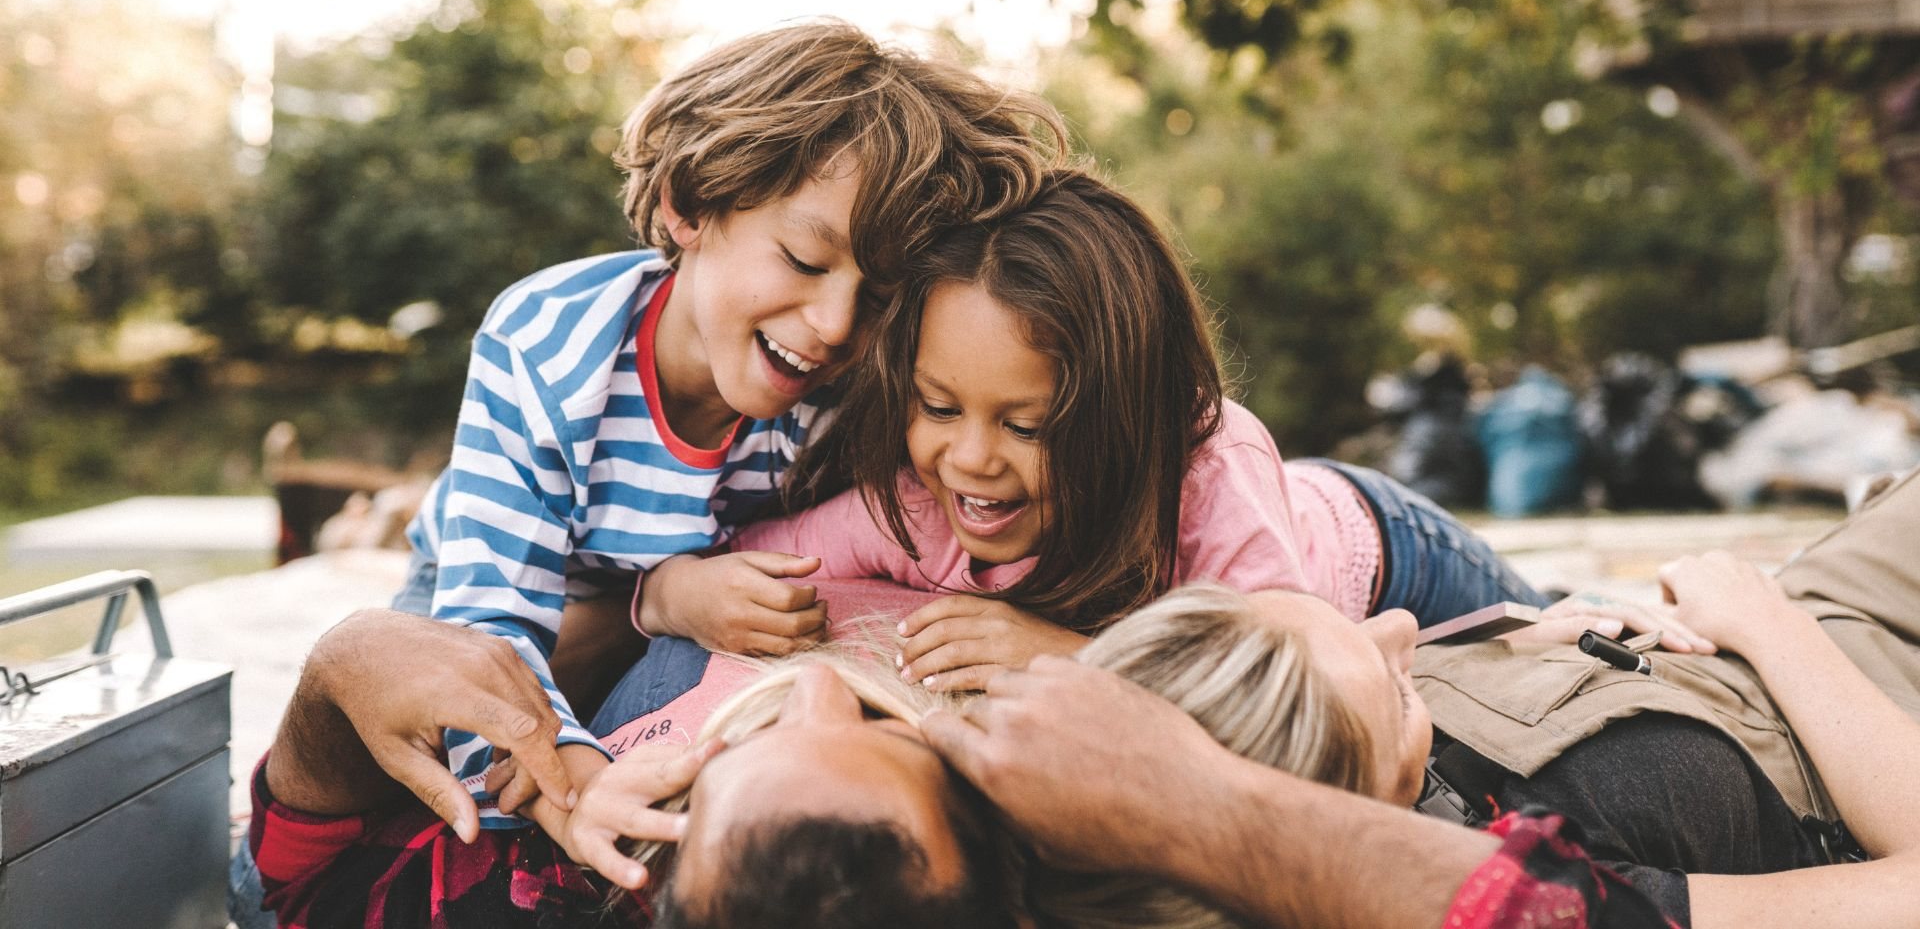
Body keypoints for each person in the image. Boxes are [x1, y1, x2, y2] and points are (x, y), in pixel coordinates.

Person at [388, 19, 1067, 825]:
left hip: (683, 620)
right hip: (491, 588)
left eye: (878, 293)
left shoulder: (856, 384)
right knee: (427, 779)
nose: (834, 323)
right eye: (805, 263)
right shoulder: (549, 343)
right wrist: (573, 780)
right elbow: (485, 637)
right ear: (691, 206)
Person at [638, 170, 1680, 694]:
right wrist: (667, 593)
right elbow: (749, 568)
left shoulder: (1208, 470)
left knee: (1572, 645)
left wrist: (1070, 656)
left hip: (1383, 553)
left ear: (1125, 421)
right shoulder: (916, 501)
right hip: (1315, 558)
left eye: (1030, 424)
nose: (971, 458)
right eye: (939, 407)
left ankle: (1638, 606)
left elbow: (1297, 662)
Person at [928, 466, 1920, 929]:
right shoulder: (1551, 882)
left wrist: (1537, 641)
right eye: (1397, 692)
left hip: (1801, 610)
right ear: (1346, 803)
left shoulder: (1360, 759)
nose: (1399, 625)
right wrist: (1768, 624)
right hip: (1864, 676)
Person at [243, 581, 1023, 929]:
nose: (818, 683)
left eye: (722, 766)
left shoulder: (592, 879)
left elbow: (301, 887)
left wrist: (344, 666)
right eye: (887, 735)